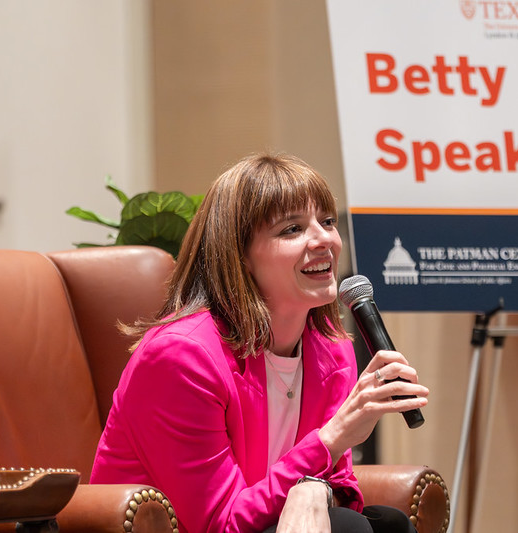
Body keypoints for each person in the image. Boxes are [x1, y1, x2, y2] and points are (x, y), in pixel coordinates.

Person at [90, 153, 430, 532]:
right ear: (241, 257)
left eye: (328, 221)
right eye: (292, 229)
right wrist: (329, 441)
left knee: (390, 525)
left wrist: (311, 487)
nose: (324, 240)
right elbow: (219, 523)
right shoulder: (181, 358)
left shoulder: (332, 350)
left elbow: (342, 484)